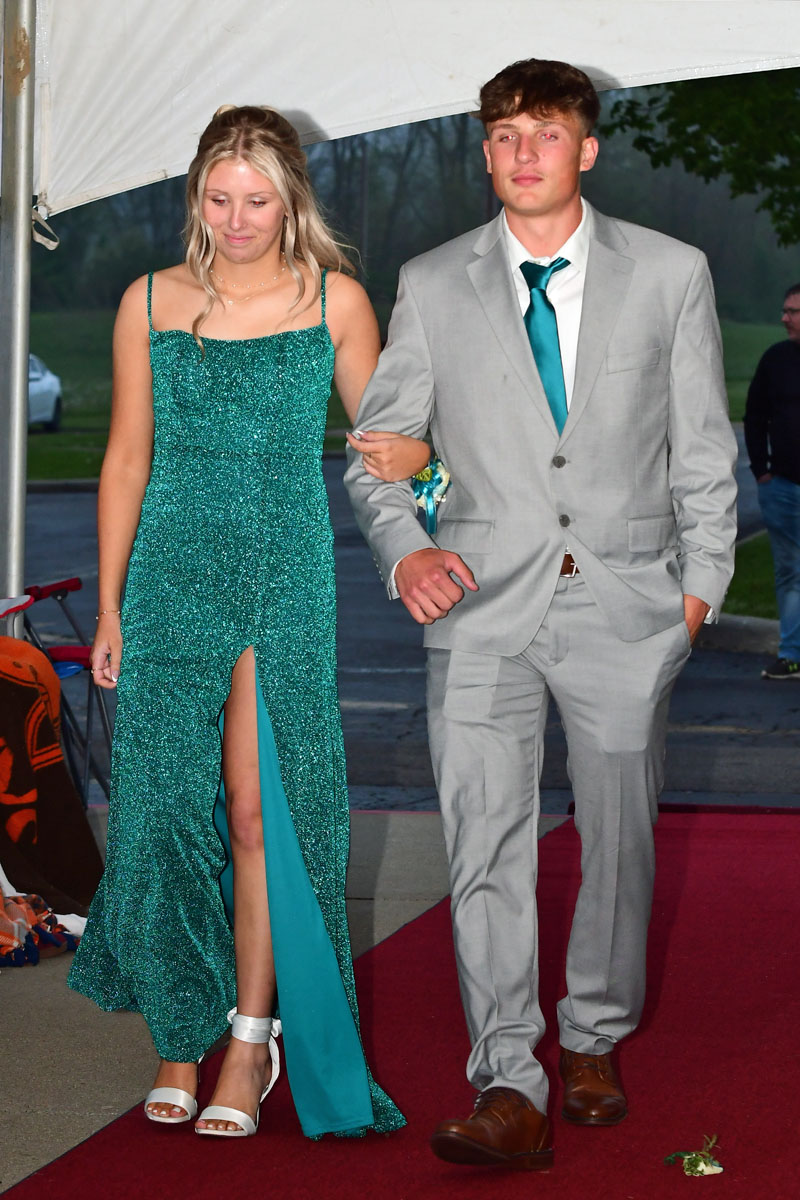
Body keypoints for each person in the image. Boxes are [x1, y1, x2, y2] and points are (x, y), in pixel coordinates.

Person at [345, 58, 737, 1171]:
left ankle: (593, 1035)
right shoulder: (429, 282)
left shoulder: (671, 274)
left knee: (618, 842)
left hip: (627, 607)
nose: (524, 152)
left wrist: (695, 594)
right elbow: (379, 459)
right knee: (482, 845)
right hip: (475, 610)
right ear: (483, 151)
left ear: (586, 149)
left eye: (546, 133)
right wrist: (406, 545)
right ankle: (506, 1079)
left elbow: (702, 450)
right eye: (504, 134)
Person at [68, 105, 428, 1140]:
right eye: (218, 199)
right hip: (169, 575)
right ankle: (176, 1037)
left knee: (261, 811)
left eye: (257, 200)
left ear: (290, 200)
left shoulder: (336, 301)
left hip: (281, 579)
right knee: (158, 811)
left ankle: (248, 1036)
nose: (236, 219)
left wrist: (433, 476)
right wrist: (108, 603)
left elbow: (390, 446)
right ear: (196, 197)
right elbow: (127, 457)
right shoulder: (148, 301)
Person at [743, 284, 800, 679]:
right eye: (784, 310)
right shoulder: (775, 360)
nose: (785, 318)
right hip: (781, 487)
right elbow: (754, 415)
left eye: (793, 311)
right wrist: (761, 471)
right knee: (790, 571)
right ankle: (792, 654)